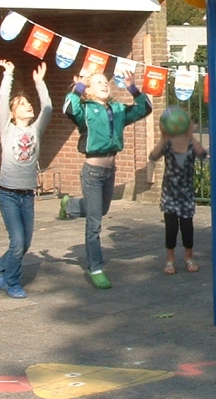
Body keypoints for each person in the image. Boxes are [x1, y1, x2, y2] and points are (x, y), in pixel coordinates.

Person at [60, 65, 152, 289]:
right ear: (88, 91)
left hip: (110, 170)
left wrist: (132, 88)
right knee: (94, 223)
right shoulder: (84, 110)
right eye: (98, 82)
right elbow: (67, 106)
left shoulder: (118, 110)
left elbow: (145, 108)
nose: (104, 84)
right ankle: (95, 267)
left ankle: (71, 206)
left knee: (101, 210)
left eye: (106, 81)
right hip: (92, 172)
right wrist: (81, 81)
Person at [0, 60, 52, 299]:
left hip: (27, 194)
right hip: (8, 194)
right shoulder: (8, 129)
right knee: (17, 241)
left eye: (28, 103)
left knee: (24, 244)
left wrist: (39, 83)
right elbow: (2, 100)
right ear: (13, 114)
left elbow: (47, 108)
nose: (28, 106)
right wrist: (9, 74)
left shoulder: (35, 130)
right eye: (22, 104)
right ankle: (11, 281)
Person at [149, 121, 206, 275]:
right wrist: (163, 137)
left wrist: (191, 136)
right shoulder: (167, 144)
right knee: (171, 227)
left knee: (187, 227)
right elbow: (153, 156)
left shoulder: (191, 144)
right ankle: (170, 260)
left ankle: (189, 258)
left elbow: (203, 154)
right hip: (170, 194)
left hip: (186, 193)